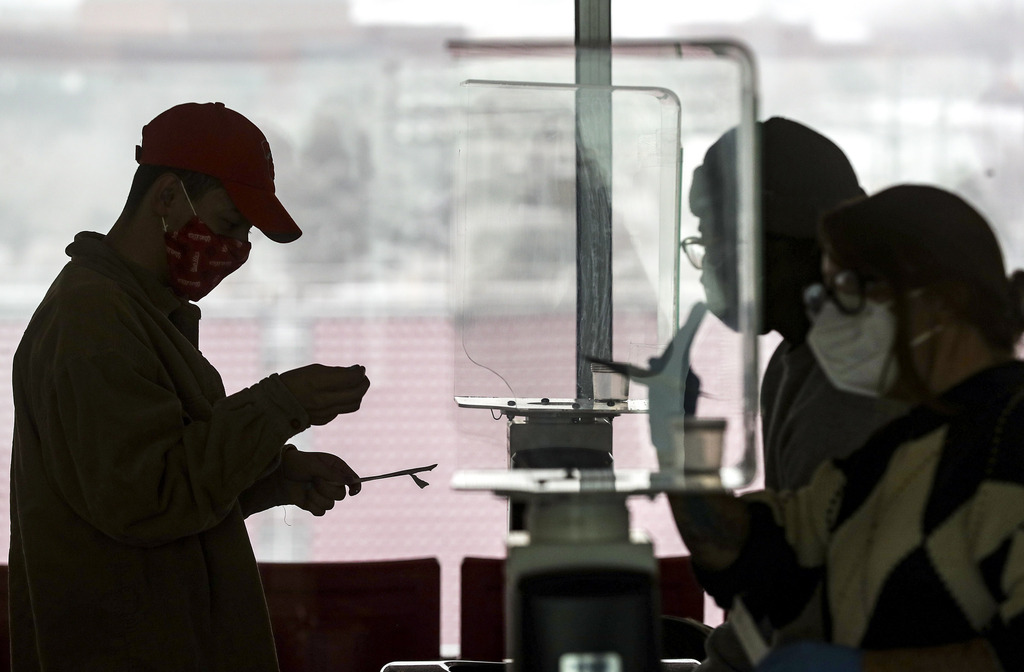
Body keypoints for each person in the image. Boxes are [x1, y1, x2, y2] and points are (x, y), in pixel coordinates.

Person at [9, 102, 372, 671]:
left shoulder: (140, 313)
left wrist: (271, 475)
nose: (237, 250)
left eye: (245, 234)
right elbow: (148, 500)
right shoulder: (93, 321)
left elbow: (157, 482)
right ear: (168, 198)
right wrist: (281, 405)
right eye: (229, 224)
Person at [671, 184, 1024, 671]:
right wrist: (680, 438)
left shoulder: (1010, 439)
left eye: (852, 291)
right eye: (825, 293)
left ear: (945, 300)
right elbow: (748, 549)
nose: (828, 317)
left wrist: (862, 668)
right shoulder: (896, 449)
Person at [675, 118, 905, 668]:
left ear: (782, 241)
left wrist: (679, 442)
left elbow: (787, 584)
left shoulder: (854, 380)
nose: (708, 265)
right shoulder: (795, 355)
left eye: (715, 240)